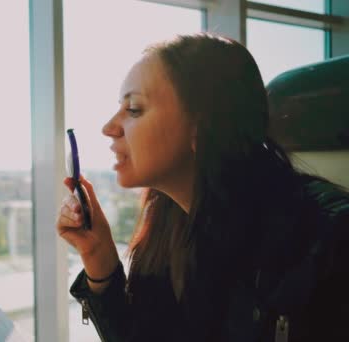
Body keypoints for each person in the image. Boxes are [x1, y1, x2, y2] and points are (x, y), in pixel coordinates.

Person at [56, 33, 349, 342]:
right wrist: (99, 256)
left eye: (134, 109)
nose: (109, 128)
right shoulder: (170, 223)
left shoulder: (329, 240)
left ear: (201, 125)